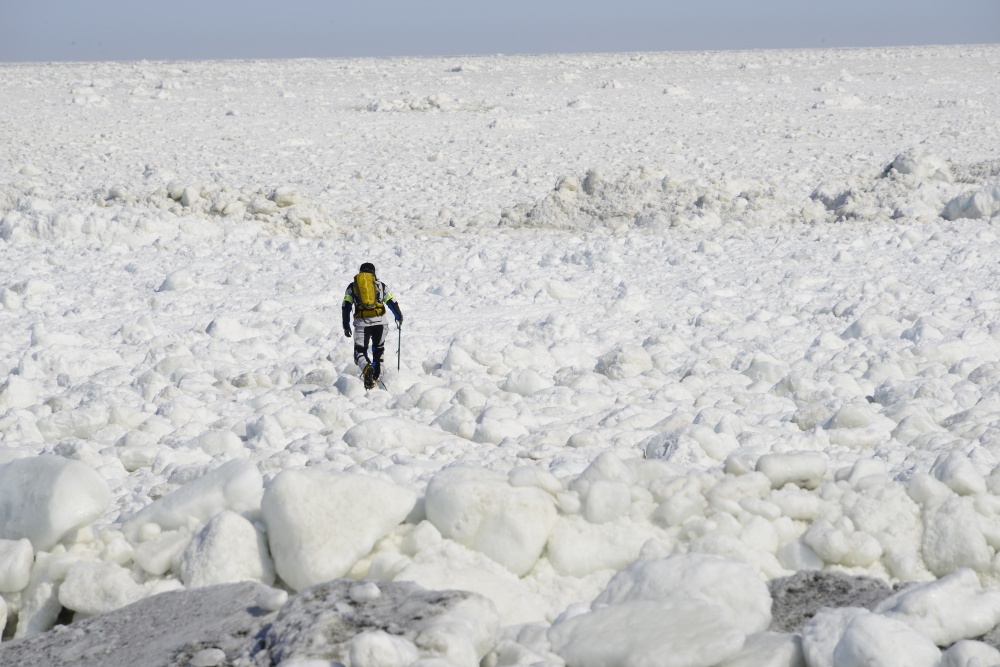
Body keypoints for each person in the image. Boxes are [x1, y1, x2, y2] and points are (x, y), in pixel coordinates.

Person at [343, 262, 403, 389]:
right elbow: (392, 301)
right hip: (381, 324)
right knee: (378, 350)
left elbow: (346, 306)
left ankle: (366, 368)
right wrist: (399, 317)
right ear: (373, 273)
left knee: (359, 351)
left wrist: (346, 325)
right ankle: (375, 379)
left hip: (361, 324)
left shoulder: (353, 287)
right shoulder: (381, 286)